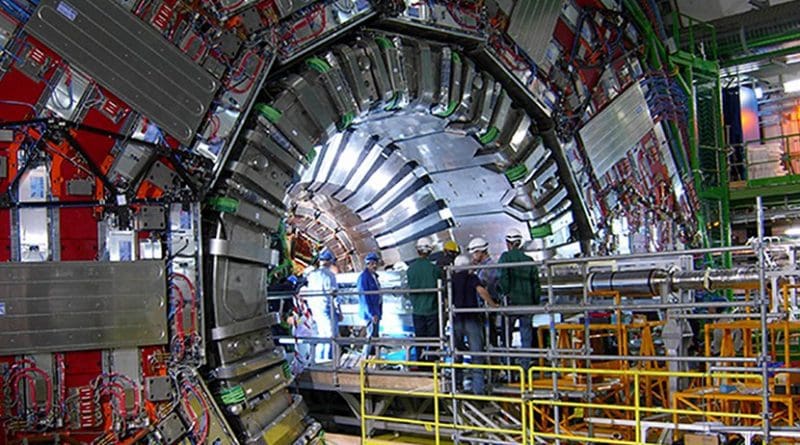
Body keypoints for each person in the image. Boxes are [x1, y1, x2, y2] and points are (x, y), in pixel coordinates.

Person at [452, 254, 498, 394]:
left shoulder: (452, 279)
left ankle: (457, 385)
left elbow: (447, 298)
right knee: (476, 354)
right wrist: (493, 305)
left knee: (456, 353)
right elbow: (481, 291)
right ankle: (478, 390)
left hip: (457, 319)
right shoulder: (471, 277)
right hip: (472, 318)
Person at [497, 228, 540, 373]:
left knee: (506, 335)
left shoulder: (505, 257)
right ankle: (525, 367)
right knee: (526, 337)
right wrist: (535, 302)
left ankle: (508, 367)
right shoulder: (529, 260)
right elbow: (536, 284)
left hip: (511, 303)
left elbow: (503, 278)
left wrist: (504, 293)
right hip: (528, 303)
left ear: (508, 243)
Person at [406, 237, 441, 362]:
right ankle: (433, 365)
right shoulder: (434, 269)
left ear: (417, 250)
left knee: (420, 339)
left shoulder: (411, 269)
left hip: (417, 311)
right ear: (430, 251)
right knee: (433, 340)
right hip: (432, 310)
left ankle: (421, 365)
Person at [304, 250, 340, 363]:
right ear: (329, 262)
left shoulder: (312, 275)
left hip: (315, 309)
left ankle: (317, 359)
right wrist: (339, 311)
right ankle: (327, 361)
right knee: (330, 335)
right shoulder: (330, 275)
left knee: (321, 335)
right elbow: (334, 295)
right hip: (326, 308)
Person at [358, 252, 382, 357]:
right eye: (372, 263)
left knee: (374, 336)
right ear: (367, 264)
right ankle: (365, 358)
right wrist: (372, 313)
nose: (374, 266)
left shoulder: (374, 277)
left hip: (376, 310)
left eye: (375, 263)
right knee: (371, 336)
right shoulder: (364, 277)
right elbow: (365, 297)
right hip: (371, 313)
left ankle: (373, 358)